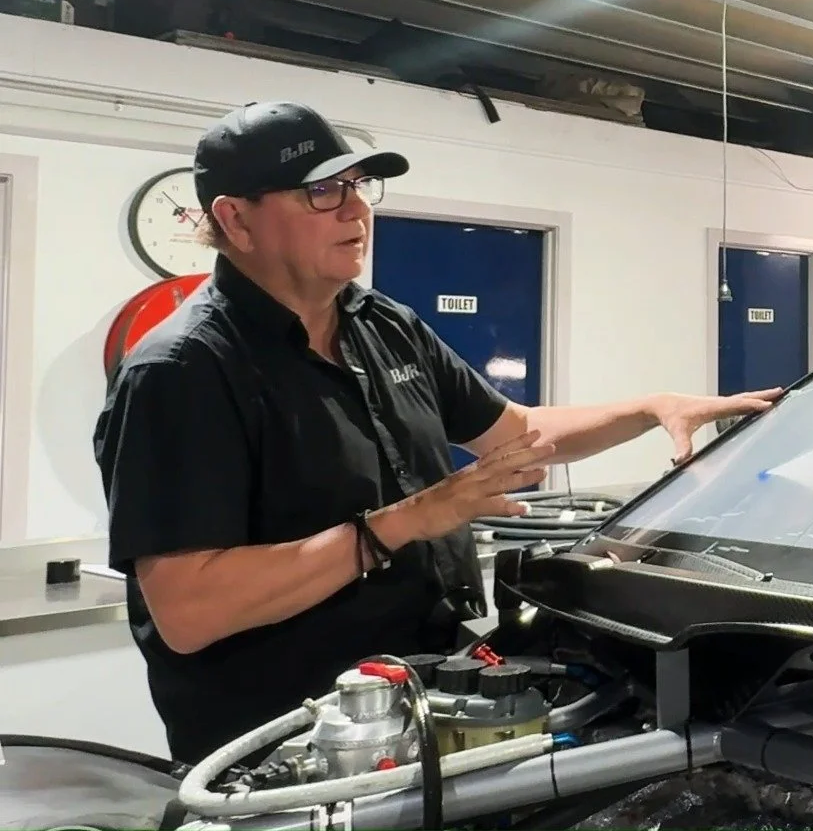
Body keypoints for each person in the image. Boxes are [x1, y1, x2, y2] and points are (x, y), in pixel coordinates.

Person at [94, 100, 778, 763]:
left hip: (424, 712)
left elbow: (517, 435)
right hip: (286, 751)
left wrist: (651, 408)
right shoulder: (184, 371)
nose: (356, 210)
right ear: (235, 219)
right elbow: (190, 609)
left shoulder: (384, 326)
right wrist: (406, 521)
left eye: (358, 186)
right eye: (322, 192)